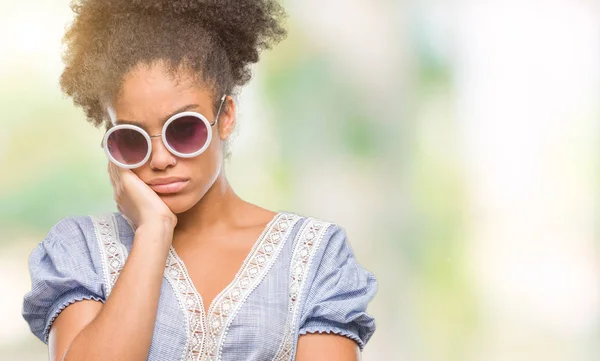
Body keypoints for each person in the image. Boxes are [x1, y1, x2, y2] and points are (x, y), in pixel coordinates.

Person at [21, 1, 377, 360]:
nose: (160, 159)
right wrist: (153, 232)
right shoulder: (79, 251)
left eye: (183, 129)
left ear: (225, 117)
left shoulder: (315, 257)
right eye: (132, 139)